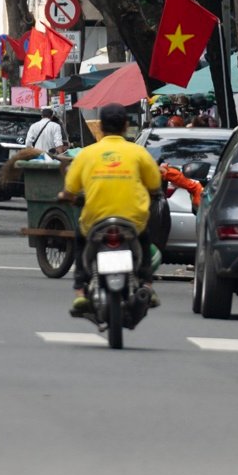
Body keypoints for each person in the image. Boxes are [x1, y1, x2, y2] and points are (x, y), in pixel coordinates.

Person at [62, 102, 164, 318]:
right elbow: (155, 183)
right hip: (133, 219)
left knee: (80, 240)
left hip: (95, 219)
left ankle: (80, 290)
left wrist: (66, 197)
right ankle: (147, 284)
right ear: (126, 125)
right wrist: (153, 193)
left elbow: (70, 189)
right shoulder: (138, 153)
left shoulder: (87, 154)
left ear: (99, 126)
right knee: (144, 240)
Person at [0, 106, 66, 193]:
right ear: (51, 116)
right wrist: (61, 156)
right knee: (48, 179)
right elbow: (58, 143)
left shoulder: (33, 126)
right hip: (50, 159)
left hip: (35, 158)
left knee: (36, 178)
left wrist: (31, 152)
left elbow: (28, 143)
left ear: (41, 116)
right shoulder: (56, 126)